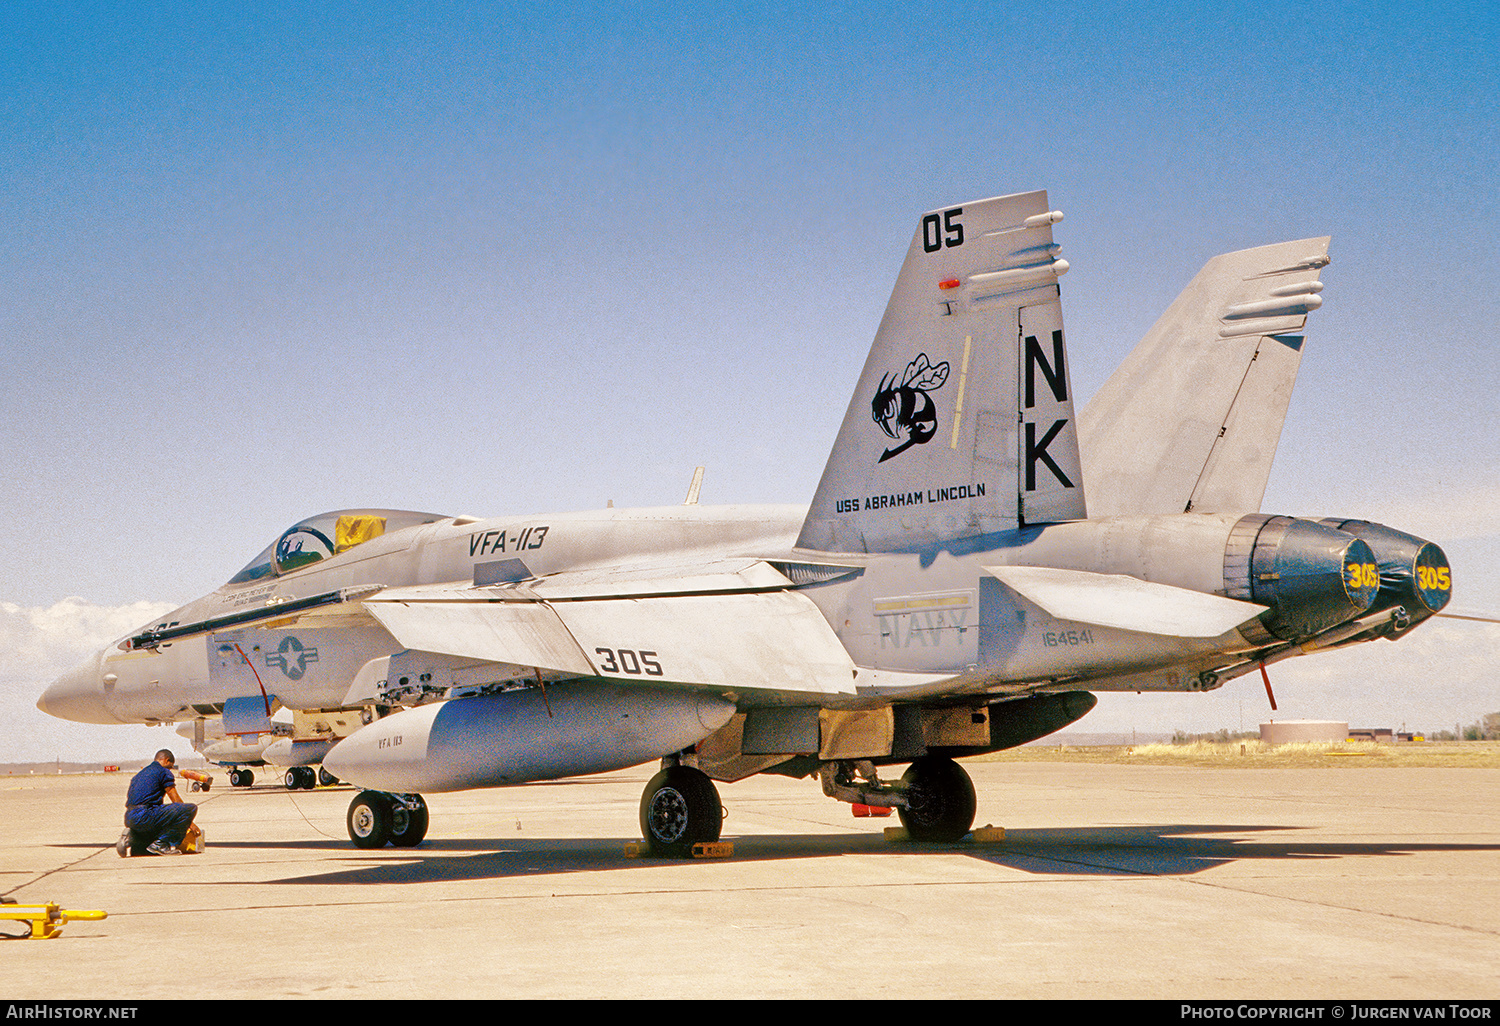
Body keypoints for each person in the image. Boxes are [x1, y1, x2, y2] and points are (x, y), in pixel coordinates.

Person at [118, 750, 208, 857]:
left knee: (144, 851)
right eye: (170, 766)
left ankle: (132, 839)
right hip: (145, 815)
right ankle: (160, 844)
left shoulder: (139, 775)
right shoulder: (163, 772)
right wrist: (190, 823)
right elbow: (176, 800)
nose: (170, 770)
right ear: (166, 760)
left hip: (130, 817)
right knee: (189, 809)